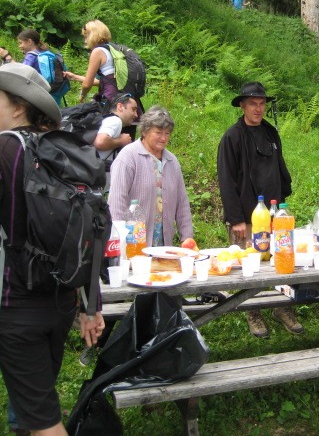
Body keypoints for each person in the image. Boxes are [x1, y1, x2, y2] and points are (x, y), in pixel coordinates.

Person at [0, 63, 105, 436]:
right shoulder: (58, 150)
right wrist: (90, 305)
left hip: (16, 303)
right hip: (61, 302)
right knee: (32, 411)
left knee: (43, 422)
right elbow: (89, 229)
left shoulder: (7, 147)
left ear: (18, 107)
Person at [217, 82, 301, 338]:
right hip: (246, 216)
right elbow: (226, 180)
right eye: (252, 103)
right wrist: (236, 219)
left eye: (262, 103)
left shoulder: (270, 133)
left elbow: (279, 169)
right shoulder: (231, 137)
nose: (258, 108)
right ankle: (253, 313)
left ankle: (281, 307)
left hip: (275, 215)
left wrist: (283, 209)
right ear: (242, 105)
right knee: (249, 268)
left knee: (280, 261)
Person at [107, 105, 193, 248]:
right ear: (145, 131)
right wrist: (119, 244)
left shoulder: (172, 161)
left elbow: (182, 203)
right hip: (134, 245)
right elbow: (116, 203)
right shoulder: (128, 157)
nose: (164, 138)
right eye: (158, 132)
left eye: (167, 133)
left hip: (164, 246)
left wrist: (187, 238)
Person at [0, 29, 68, 106]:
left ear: (29, 42)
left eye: (20, 43)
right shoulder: (42, 53)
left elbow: (20, 71)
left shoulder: (31, 55)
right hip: (53, 91)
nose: (19, 46)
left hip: (41, 95)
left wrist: (6, 56)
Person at [64, 19, 118, 107]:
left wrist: (82, 95)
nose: (85, 41)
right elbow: (104, 80)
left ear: (93, 35)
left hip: (111, 96)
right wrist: (75, 77)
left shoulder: (97, 51)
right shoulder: (113, 48)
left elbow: (87, 84)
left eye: (86, 37)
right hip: (123, 95)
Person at [93, 92, 136, 191]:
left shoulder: (107, 119)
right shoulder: (115, 121)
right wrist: (121, 141)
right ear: (120, 107)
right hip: (94, 176)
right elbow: (100, 142)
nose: (136, 114)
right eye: (133, 109)